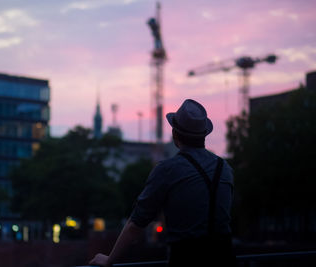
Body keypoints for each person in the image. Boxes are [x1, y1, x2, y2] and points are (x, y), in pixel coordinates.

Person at [89, 99, 236, 267]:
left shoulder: (168, 169)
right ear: (204, 135)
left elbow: (136, 224)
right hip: (225, 257)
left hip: (186, 258)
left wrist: (109, 260)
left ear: (175, 134)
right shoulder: (225, 168)